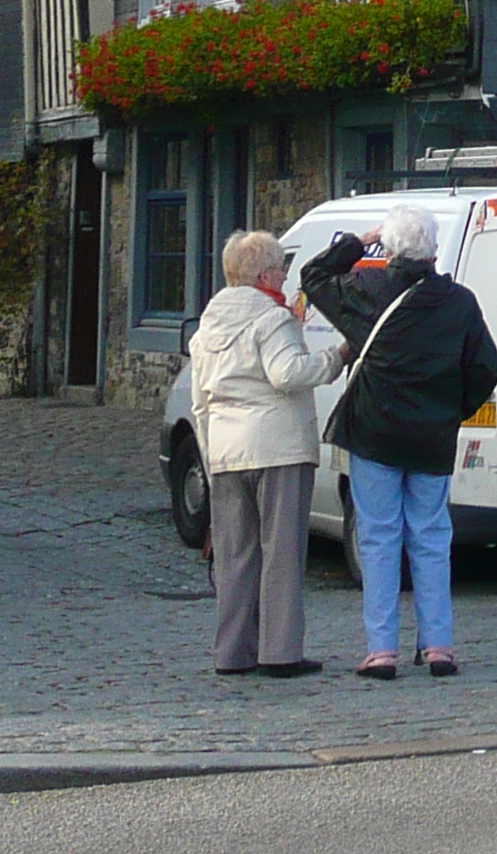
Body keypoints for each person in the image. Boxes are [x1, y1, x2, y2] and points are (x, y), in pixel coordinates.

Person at [301, 205, 497, 679]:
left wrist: (358, 241)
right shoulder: (460, 302)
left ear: (388, 249)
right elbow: (486, 368)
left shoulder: (367, 290)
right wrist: (453, 411)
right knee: (432, 537)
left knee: (378, 537)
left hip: (375, 432)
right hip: (432, 436)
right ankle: (438, 646)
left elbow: (313, 275)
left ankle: (382, 650)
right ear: (433, 250)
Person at [191, 228, 340, 678]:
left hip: (227, 449)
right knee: (282, 552)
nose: (284, 275)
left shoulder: (209, 322)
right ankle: (280, 652)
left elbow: (200, 402)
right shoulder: (272, 318)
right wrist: (336, 357)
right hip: (277, 447)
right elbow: (288, 373)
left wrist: (211, 451)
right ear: (265, 274)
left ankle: (232, 653)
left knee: (236, 554)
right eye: (281, 268)